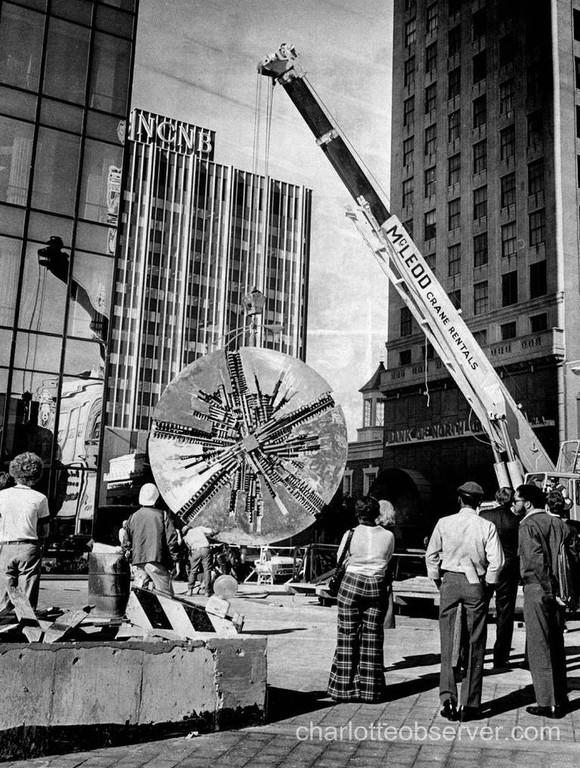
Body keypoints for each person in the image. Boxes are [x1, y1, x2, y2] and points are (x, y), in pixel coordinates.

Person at [426, 481, 504, 722]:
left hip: (450, 580)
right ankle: (470, 704)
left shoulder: (444, 522)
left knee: (448, 642)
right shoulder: (486, 526)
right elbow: (497, 561)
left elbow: (431, 555)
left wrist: (438, 580)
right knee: (475, 642)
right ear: (479, 502)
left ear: (459, 499)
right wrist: (488, 583)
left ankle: (448, 698)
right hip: (475, 584)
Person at [327, 495, 395, 703]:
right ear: (377, 514)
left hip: (351, 583)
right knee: (372, 636)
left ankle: (344, 689)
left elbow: (340, 559)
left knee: (347, 634)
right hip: (376, 585)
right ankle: (370, 690)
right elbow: (388, 559)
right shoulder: (388, 536)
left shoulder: (350, 534)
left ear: (357, 514)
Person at [517, 483, 574, 718]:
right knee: (556, 644)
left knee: (539, 646)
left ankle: (547, 702)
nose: (515, 503)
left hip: (538, 590)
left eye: (518, 500)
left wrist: (547, 592)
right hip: (560, 591)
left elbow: (534, 562)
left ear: (528, 503)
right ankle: (560, 696)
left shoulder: (527, 525)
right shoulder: (560, 524)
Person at [0, 452, 50, 612]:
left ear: (14, 472)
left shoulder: (2, 495)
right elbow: (44, 530)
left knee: (3, 592)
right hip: (29, 547)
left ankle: (3, 622)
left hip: (5, 546)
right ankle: (24, 625)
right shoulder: (40, 498)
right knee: (27, 595)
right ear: (36, 475)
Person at [479, 486, 520, 669]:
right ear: (512, 501)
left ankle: (476, 654)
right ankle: (500, 657)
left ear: (496, 498)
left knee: (480, 610)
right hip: (509, 567)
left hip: (488, 566)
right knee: (505, 613)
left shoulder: (484, 516)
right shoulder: (516, 521)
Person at [124, 483, 180, 597]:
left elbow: (126, 542)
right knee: (166, 596)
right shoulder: (163, 515)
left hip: (138, 562)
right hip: (156, 561)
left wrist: (130, 557)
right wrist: (175, 560)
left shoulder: (133, 516)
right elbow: (172, 540)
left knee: (139, 596)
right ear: (156, 499)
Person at [183, 524, 219, 596]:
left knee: (193, 570)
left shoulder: (185, 537)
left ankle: (190, 590)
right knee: (207, 570)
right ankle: (207, 591)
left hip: (195, 551)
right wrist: (215, 532)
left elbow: (189, 547)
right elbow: (210, 531)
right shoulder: (199, 528)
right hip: (205, 549)